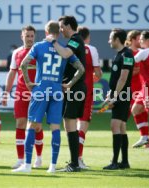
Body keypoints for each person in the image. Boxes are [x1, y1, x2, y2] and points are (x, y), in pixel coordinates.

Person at [12, 20, 84, 173]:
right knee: (55, 128)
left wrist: (29, 83)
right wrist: (70, 84)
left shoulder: (38, 46)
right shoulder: (64, 49)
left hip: (41, 88)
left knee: (32, 125)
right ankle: (52, 166)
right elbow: (81, 69)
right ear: (58, 33)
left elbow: (24, 64)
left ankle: (27, 165)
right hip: (57, 90)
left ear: (46, 32)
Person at [46, 15, 86, 172]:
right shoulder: (75, 40)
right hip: (73, 88)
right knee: (68, 123)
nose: (60, 30)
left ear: (69, 26)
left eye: (62, 27)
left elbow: (65, 54)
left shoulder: (75, 39)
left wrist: (53, 41)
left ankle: (75, 164)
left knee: (70, 124)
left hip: (75, 89)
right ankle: (74, 162)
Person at [2, 25, 44, 169]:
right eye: (27, 36)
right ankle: (20, 159)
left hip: (37, 94)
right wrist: (6, 93)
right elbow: (12, 73)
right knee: (20, 124)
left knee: (37, 126)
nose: (30, 38)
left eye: (32, 36)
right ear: (22, 36)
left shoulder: (40, 51)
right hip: (21, 93)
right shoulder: (17, 53)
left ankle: (38, 158)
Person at [103, 28, 134, 170]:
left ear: (117, 39)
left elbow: (123, 78)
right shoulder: (119, 54)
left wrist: (115, 96)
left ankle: (115, 162)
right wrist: (110, 94)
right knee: (121, 127)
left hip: (123, 95)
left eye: (110, 38)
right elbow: (116, 79)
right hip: (119, 94)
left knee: (115, 126)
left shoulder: (127, 54)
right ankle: (125, 162)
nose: (109, 40)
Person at [76, 26, 102, 169]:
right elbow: (98, 73)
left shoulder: (70, 47)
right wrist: (95, 76)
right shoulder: (91, 49)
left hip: (71, 90)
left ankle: (73, 158)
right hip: (86, 91)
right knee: (83, 124)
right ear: (88, 37)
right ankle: (78, 159)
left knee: (71, 124)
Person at [125, 30, 149, 147]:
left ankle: (146, 139)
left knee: (141, 111)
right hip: (130, 88)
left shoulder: (143, 52)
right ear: (131, 40)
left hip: (141, 87)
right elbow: (125, 71)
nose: (140, 40)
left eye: (141, 38)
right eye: (137, 39)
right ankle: (121, 134)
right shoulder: (127, 53)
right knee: (128, 113)